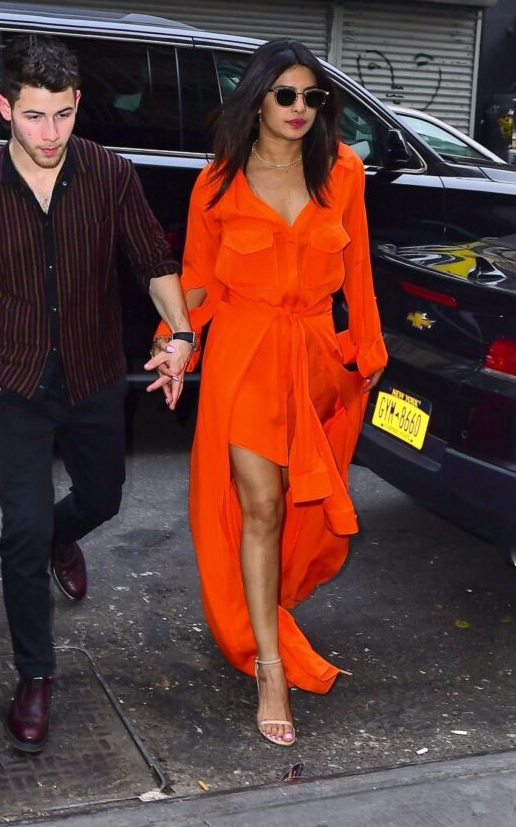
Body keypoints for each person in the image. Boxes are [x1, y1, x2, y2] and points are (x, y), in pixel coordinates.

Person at [0, 37, 193, 753]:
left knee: (102, 497)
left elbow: (152, 260)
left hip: (94, 372)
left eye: (65, 115)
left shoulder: (108, 174)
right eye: (36, 117)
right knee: (19, 529)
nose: (51, 135)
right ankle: (34, 675)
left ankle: (63, 536)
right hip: (10, 382)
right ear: (4, 108)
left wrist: (182, 332)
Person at [147, 39, 387, 746]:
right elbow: (198, 281)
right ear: (256, 99)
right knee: (259, 504)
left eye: (313, 97)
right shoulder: (217, 182)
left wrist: (366, 351)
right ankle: (270, 669)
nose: (300, 109)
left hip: (313, 355)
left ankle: (268, 607)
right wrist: (173, 348)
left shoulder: (342, 171)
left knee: (295, 505)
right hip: (245, 356)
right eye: (286, 95)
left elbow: (357, 269)